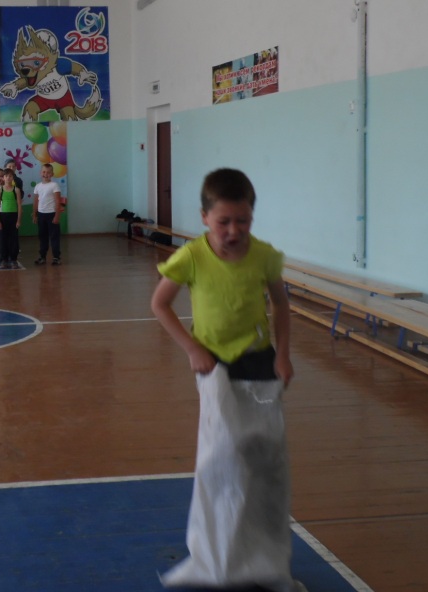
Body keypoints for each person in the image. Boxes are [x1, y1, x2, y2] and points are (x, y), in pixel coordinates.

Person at [149, 168, 300, 592]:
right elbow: (159, 304)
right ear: (204, 218)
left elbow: (281, 305)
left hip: (260, 363)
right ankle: (214, 559)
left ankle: (266, 562)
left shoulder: (264, 256)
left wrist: (283, 354)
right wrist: (191, 349)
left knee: (266, 464)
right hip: (215, 367)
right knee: (221, 461)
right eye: (223, 222)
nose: (234, 231)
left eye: (243, 221)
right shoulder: (191, 257)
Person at [32, 163, 63, 266]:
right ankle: (42, 257)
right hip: (41, 215)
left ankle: (56, 257)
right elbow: (36, 201)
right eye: (44, 172)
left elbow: (58, 201)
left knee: (54, 237)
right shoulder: (38, 186)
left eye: (48, 172)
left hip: (52, 214)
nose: (46, 174)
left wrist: (57, 215)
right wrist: (35, 214)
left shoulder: (54, 185)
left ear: (52, 174)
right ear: (41, 173)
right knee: (42, 237)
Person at [0, 167, 22, 269]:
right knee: (2, 239)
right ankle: (4, 260)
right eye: (6, 176)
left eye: (10, 176)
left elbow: (19, 206)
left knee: (13, 239)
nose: (8, 178)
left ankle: (13, 260)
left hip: (13, 216)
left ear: (12, 177)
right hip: (3, 217)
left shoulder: (16, 190)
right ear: (3, 178)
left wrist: (18, 220)